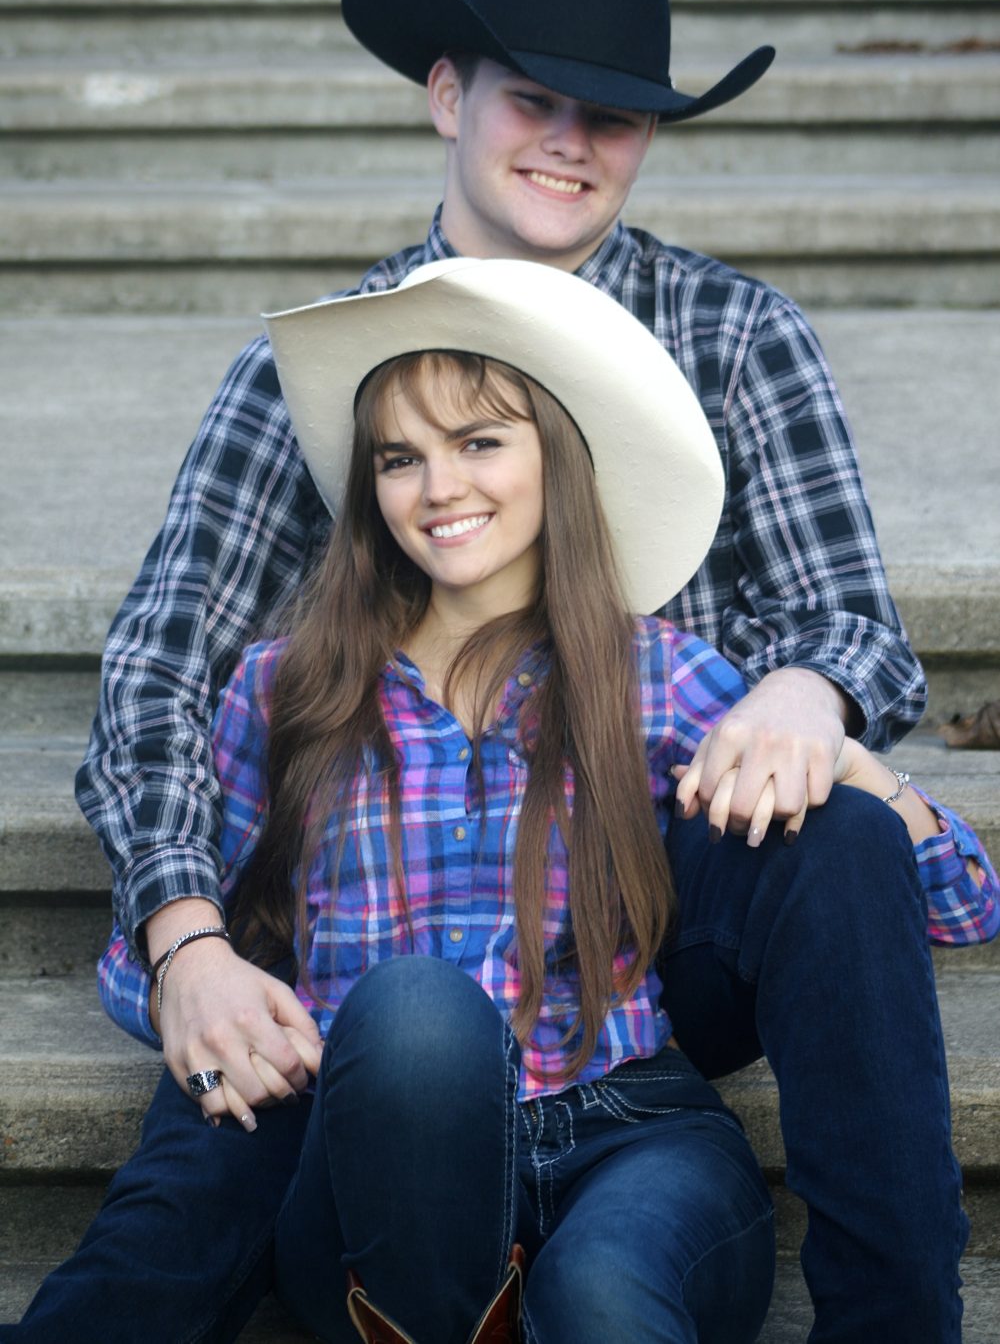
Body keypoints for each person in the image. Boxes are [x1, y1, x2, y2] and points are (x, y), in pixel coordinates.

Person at [71, 0, 955, 1340]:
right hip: (392, 931)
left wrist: (806, 694)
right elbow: (167, 665)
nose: (568, 141)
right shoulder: (332, 365)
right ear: (447, 97)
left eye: (610, 116)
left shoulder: (732, 332)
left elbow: (850, 622)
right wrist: (187, 938)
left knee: (843, 842)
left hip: (657, 918)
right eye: (530, 99)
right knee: (232, 1157)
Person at [11, 261, 998, 1344]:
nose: (438, 488)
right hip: (387, 1159)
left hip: (630, 1123)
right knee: (417, 1012)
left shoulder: (655, 674)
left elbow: (954, 904)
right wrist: (195, 986)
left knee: (605, 1302)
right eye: (400, 457)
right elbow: (161, 973)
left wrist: (841, 753)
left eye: (479, 442)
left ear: (552, 459)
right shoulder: (285, 687)